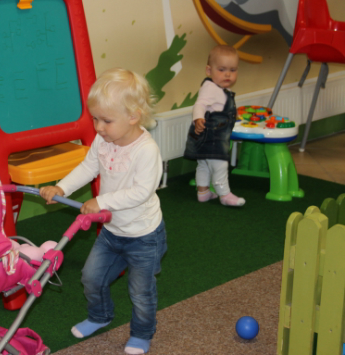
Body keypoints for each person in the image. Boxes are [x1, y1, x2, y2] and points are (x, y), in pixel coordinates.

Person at [40, 68, 167, 355]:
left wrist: (102, 201)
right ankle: (100, 316)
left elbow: (141, 191)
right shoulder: (103, 140)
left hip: (144, 236)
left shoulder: (146, 150)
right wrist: (62, 188)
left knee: (141, 292)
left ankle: (142, 334)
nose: (98, 127)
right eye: (95, 118)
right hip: (112, 232)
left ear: (133, 116)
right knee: (91, 278)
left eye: (106, 120)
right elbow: (88, 167)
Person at [184, 45, 245, 206]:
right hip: (212, 137)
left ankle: (203, 192)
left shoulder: (220, 89)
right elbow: (200, 104)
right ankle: (224, 194)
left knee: (203, 164)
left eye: (232, 70)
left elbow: (219, 108)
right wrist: (198, 118)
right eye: (222, 69)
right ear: (209, 70)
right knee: (220, 164)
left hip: (207, 136)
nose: (227, 74)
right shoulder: (210, 88)